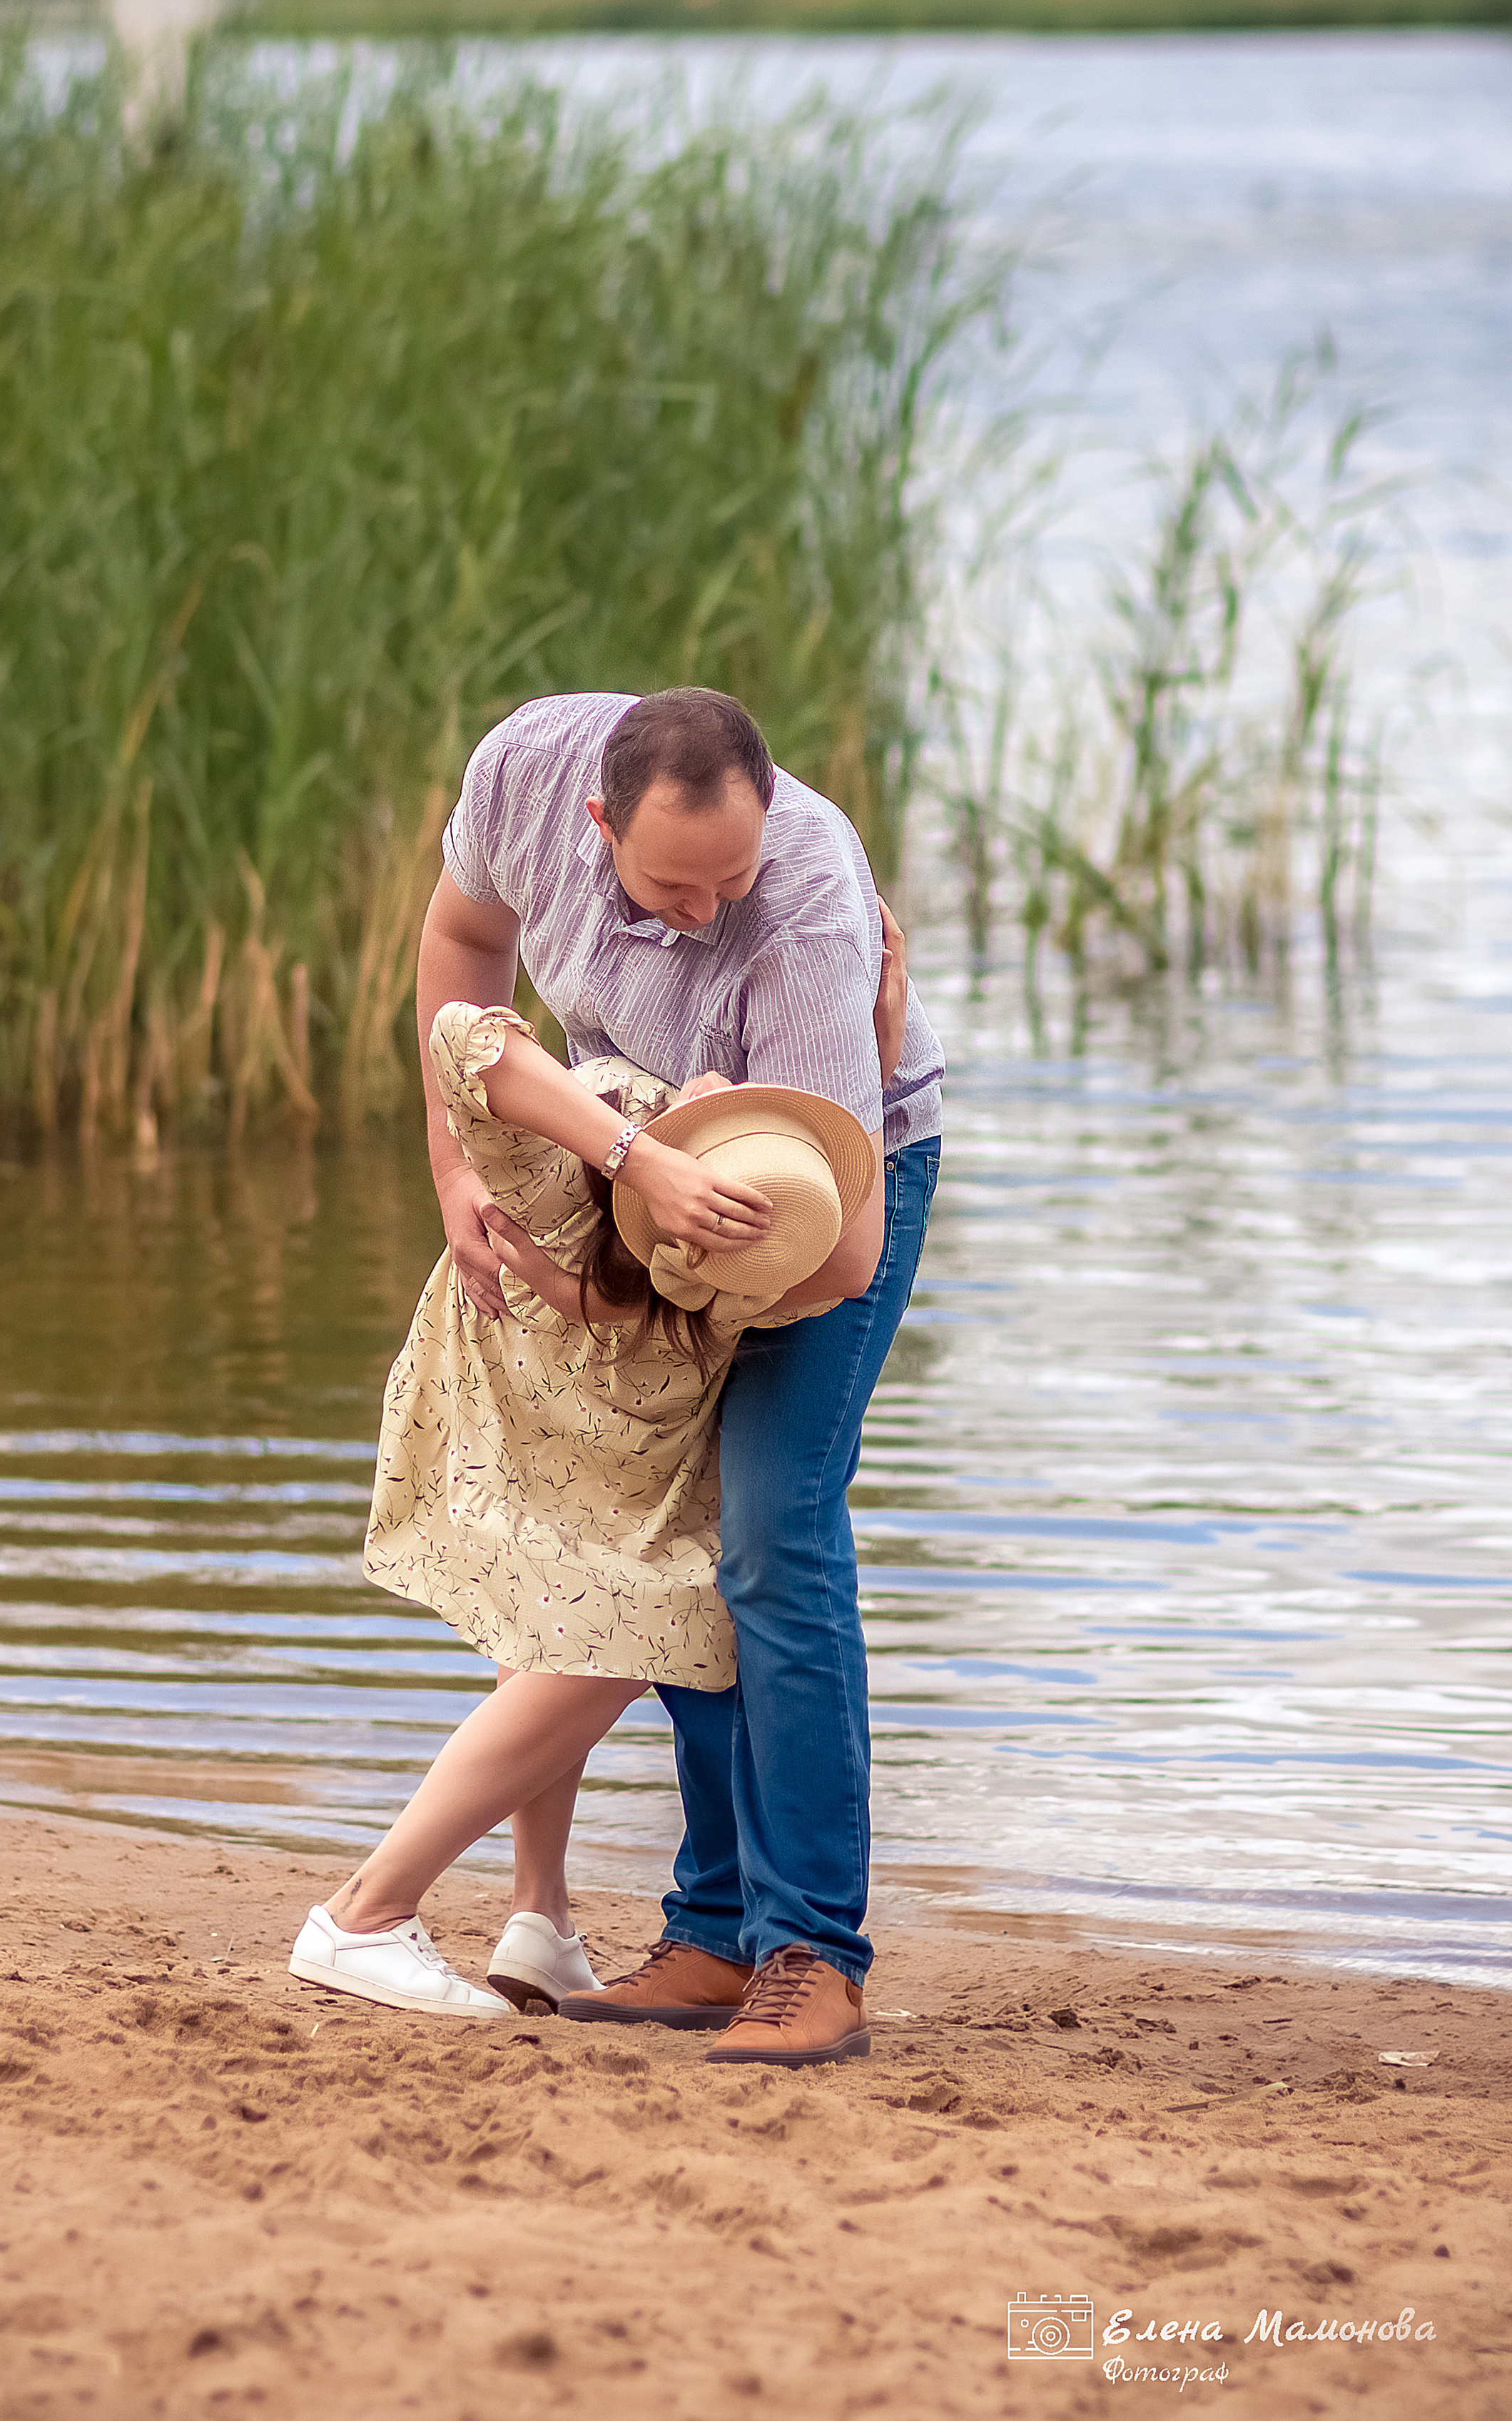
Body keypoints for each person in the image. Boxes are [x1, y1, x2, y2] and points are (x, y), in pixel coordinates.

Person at [416, 688, 943, 2069]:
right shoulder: (527, 770)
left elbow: (846, 1252)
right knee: (682, 1544)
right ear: (596, 824)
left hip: (827, 1195)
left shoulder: (813, 907)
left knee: (770, 1531)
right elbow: (467, 943)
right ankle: (715, 1936)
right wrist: (456, 1165)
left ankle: (813, 1953)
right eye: (672, 883)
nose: (711, 911)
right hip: (652, 1172)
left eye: (736, 875)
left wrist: (634, 1283)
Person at [288, 998, 872, 2033]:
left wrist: (874, 1029)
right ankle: (366, 1912)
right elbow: (462, 1036)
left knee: (567, 1624)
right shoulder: (599, 1142)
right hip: (523, 1405)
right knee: (619, 1626)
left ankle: (541, 1917)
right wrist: (635, 1156)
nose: (717, 1085)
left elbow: (615, 1294)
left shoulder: (724, 1273)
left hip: (597, 1445)